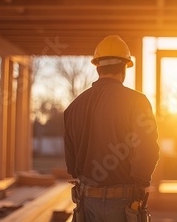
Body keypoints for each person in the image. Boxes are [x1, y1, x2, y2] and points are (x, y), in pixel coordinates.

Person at [63, 35, 159, 222]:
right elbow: (148, 149)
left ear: (98, 67)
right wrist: (140, 184)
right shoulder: (137, 102)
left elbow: (72, 165)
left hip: (87, 202)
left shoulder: (73, 107)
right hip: (124, 204)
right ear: (125, 67)